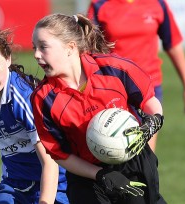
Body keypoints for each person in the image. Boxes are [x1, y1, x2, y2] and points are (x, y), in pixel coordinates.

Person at [31, 13, 166, 204]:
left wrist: (154, 121)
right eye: (34, 48)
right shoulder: (43, 99)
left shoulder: (113, 68)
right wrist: (100, 175)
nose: (36, 54)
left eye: (43, 47)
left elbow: (148, 101)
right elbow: (60, 154)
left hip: (133, 165)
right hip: (87, 177)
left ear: (70, 47)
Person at [0, 30, 68, 204]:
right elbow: (10, 154)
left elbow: (50, 162)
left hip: (53, 183)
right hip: (15, 185)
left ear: (8, 59)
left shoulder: (24, 100)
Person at [87, 0, 185, 152]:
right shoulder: (100, 4)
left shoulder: (158, 3)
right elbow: (88, 48)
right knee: (115, 151)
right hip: (112, 89)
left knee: (145, 155)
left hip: (149, 90)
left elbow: (172, 43)